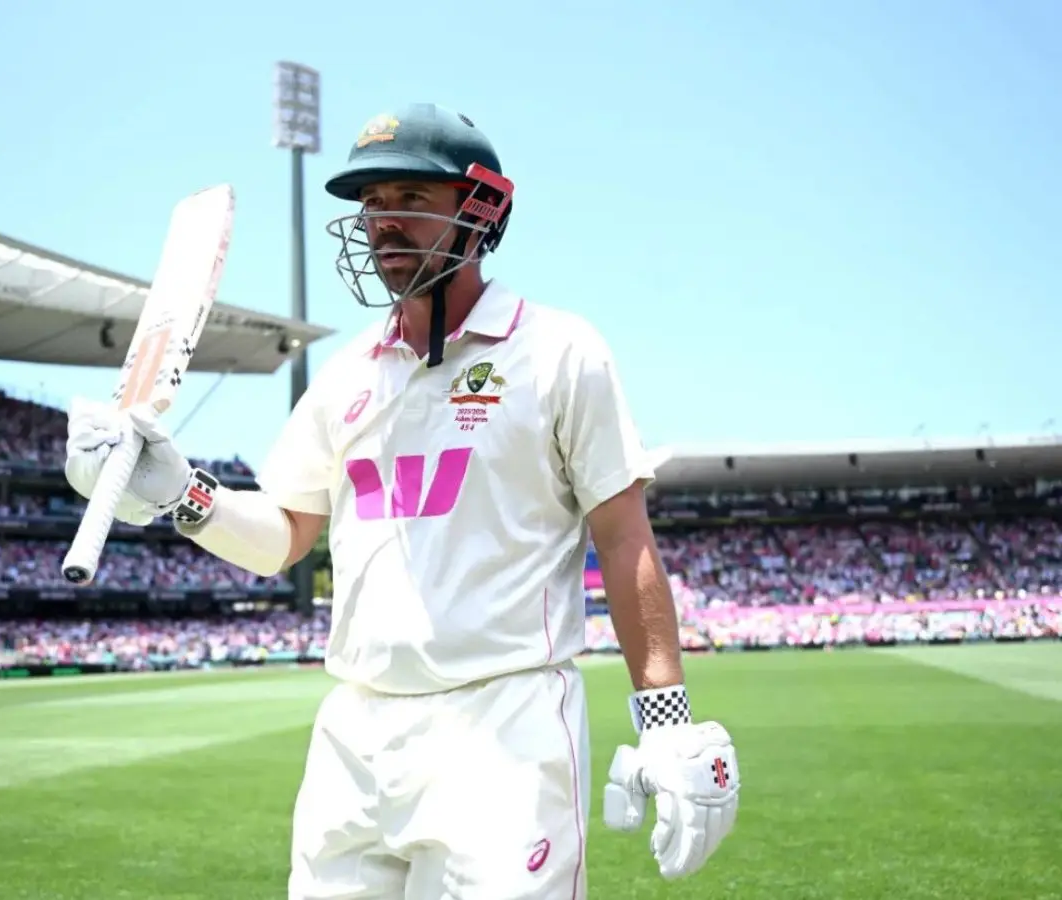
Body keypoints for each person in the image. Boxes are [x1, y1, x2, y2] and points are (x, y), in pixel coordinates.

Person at [64, 102, 740, 899]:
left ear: (480, 209)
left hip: (506, 727)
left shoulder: (560, 352)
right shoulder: (344, 377)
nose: (383, 222)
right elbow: (285, 535)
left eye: (410, 198)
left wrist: (665, 720)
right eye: (371, 202)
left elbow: (624, 538)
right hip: (355, 735)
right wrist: (186, 494)